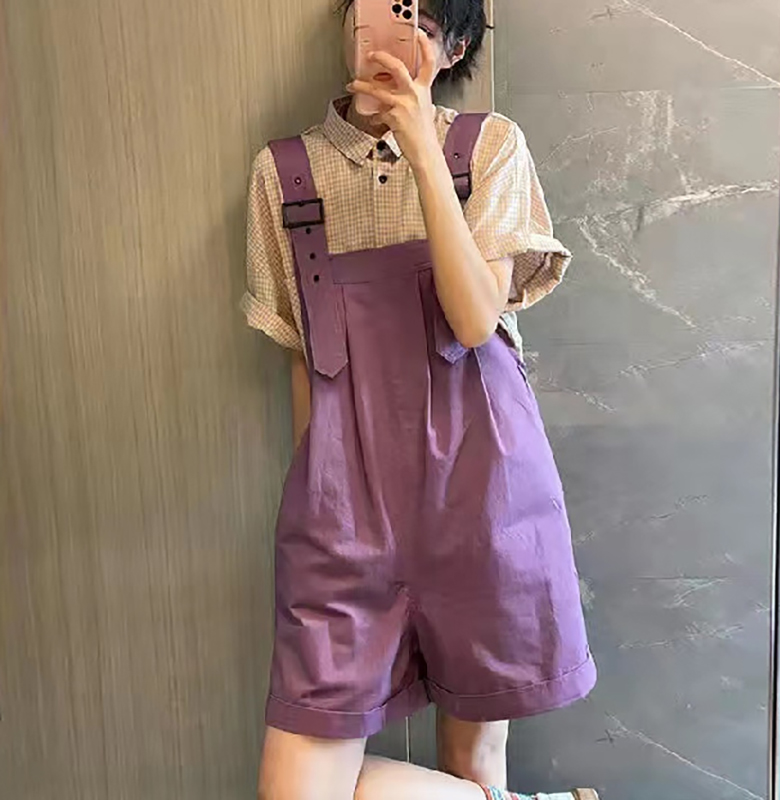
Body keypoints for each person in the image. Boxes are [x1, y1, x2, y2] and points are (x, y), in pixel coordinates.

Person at [242, 1, 597, 798]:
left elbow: (473, 320)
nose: (380, 40)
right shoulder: (284, 174)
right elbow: (302, 356)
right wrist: (319, 500)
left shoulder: (489, 148)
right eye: (368, 15)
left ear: (454, 47)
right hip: (345, 512)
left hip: (483, 495)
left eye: (414, 24)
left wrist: (422, 150)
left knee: (473, 766)